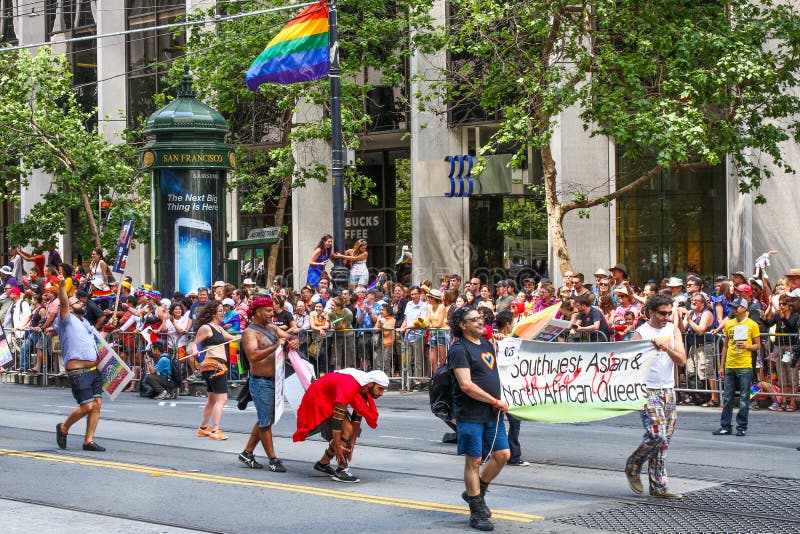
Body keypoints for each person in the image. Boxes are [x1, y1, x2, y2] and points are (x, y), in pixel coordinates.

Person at [448, 306, 510, 531]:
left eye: (480, 318)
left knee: (503, 455)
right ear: (463, 325)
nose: (479, 322)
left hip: (492, 412)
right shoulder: (458, 349)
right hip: (471, 413)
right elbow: (466, 385)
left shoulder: (486, 343)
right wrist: (494, 401)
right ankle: (476, 510)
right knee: (474, 460)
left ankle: (477, 492)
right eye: (473, 320)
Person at [625, 294, 687, 499]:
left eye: (670, 313)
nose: (667, 317)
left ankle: (658, 487)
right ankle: (633, 465)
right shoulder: (641, 333)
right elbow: (630, 365)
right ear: (651, 312)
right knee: (657, 434)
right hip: (647, 390)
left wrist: (665, 347)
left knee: (663, 441)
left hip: (668, 390)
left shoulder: (672, 329)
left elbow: (681, 360)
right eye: (662, 313)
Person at [293, 368, 389, 483]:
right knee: (346, 430)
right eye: (380, 389)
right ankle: (341, 468)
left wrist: (352, 443)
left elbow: (358, 415)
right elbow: (337, 423)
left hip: (330, 395)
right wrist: (338, 446)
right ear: (371, 384)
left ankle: (322, 464)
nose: (382, 393)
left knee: (349, 432)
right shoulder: (350, 386)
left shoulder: (364, 386)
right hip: (319, 397)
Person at [238, 296, 298, 472]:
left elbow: (289, 337)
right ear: (258, 311)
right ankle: (273, 459)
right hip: (260, 382)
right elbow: (254, 356)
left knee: (266, 420)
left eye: (273, 310)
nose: (272, 313)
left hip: (275, 381)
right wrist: (275, 346)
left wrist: (294, 340)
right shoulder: (250, 333)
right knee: (265, 422)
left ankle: (247, 452)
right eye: (269, 310)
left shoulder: (272, 328)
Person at [53, 273, 106, 452]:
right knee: (87, 406)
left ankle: (88, 441)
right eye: (78, 302)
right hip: (78, 371)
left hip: (93, 369)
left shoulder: (85, 323)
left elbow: (98, 341)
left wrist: (109, 328)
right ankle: (64, 428)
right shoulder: (65, 320)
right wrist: (61, 287)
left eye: (81, 302)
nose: (82, 303)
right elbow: (64, 303)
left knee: (97, 405)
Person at [713, 297, 761, 437]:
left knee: (745, 397)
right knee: (727, 397)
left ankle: (742, 426)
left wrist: (746, 346)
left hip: (744, 365)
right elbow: (726, 345)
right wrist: (722, 365)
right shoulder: (730, 324)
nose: (733, 309)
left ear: (744, 308)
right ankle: (725, 425)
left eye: (736, 307)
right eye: (732, 307)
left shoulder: (752, 324)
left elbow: (758, 345)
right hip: (730, 365)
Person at [193, 301, 240, 440]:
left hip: (213, 366)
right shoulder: (206, 328)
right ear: (213, 313)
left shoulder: (219, 328)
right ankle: (215, 429)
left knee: (212, 399)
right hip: (214, 366)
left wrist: (244, 336)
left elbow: (232, 338)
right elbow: (195, 344)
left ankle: (203, 428)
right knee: (222, 399)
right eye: (220, 311)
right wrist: (196, 352)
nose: (223, 313)